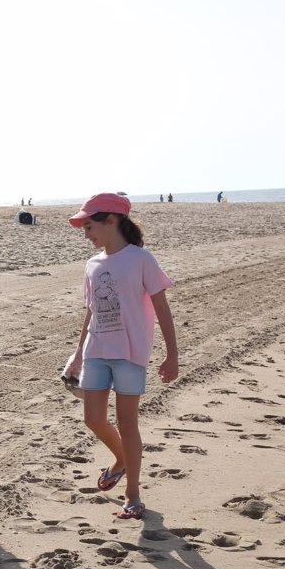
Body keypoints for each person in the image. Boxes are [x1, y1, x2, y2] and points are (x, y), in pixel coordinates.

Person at [63, 193, 179, 519]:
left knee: (128, 424)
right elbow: (92, 312)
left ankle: (132, 493)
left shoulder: (142, 259)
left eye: (89, 226)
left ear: (111, 220)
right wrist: (76, 355)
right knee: (93, 418)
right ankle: (123, 459)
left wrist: (172, 354)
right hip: (96, 351)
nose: (86, 233)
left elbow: (162, 309)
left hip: (130, 353)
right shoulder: (92, 265)